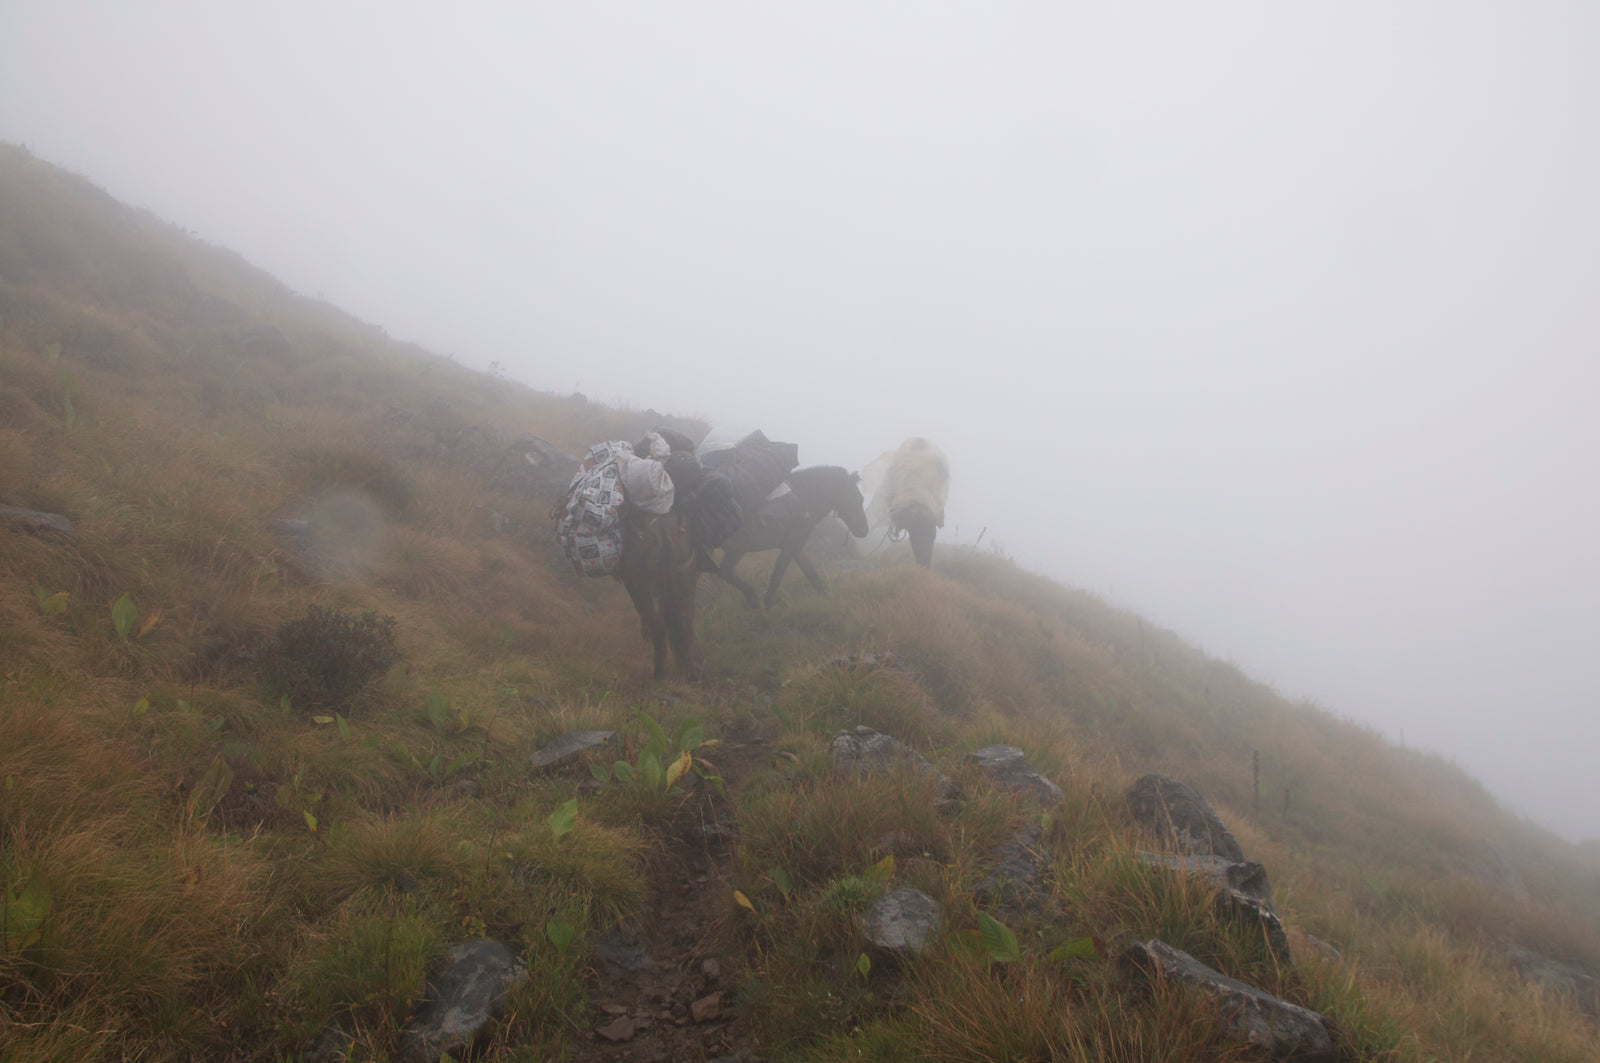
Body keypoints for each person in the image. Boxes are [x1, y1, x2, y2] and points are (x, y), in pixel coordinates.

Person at [861, 438, 948, 567]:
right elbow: (940, 489)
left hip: (904, 513)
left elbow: (888, 489)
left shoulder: (899, 464)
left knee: (916, 542)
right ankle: (923, 571)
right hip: (925, 515)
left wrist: (886, 507)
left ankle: (915, 569)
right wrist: (938, 513)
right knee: (924, 550)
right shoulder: (935, 463)